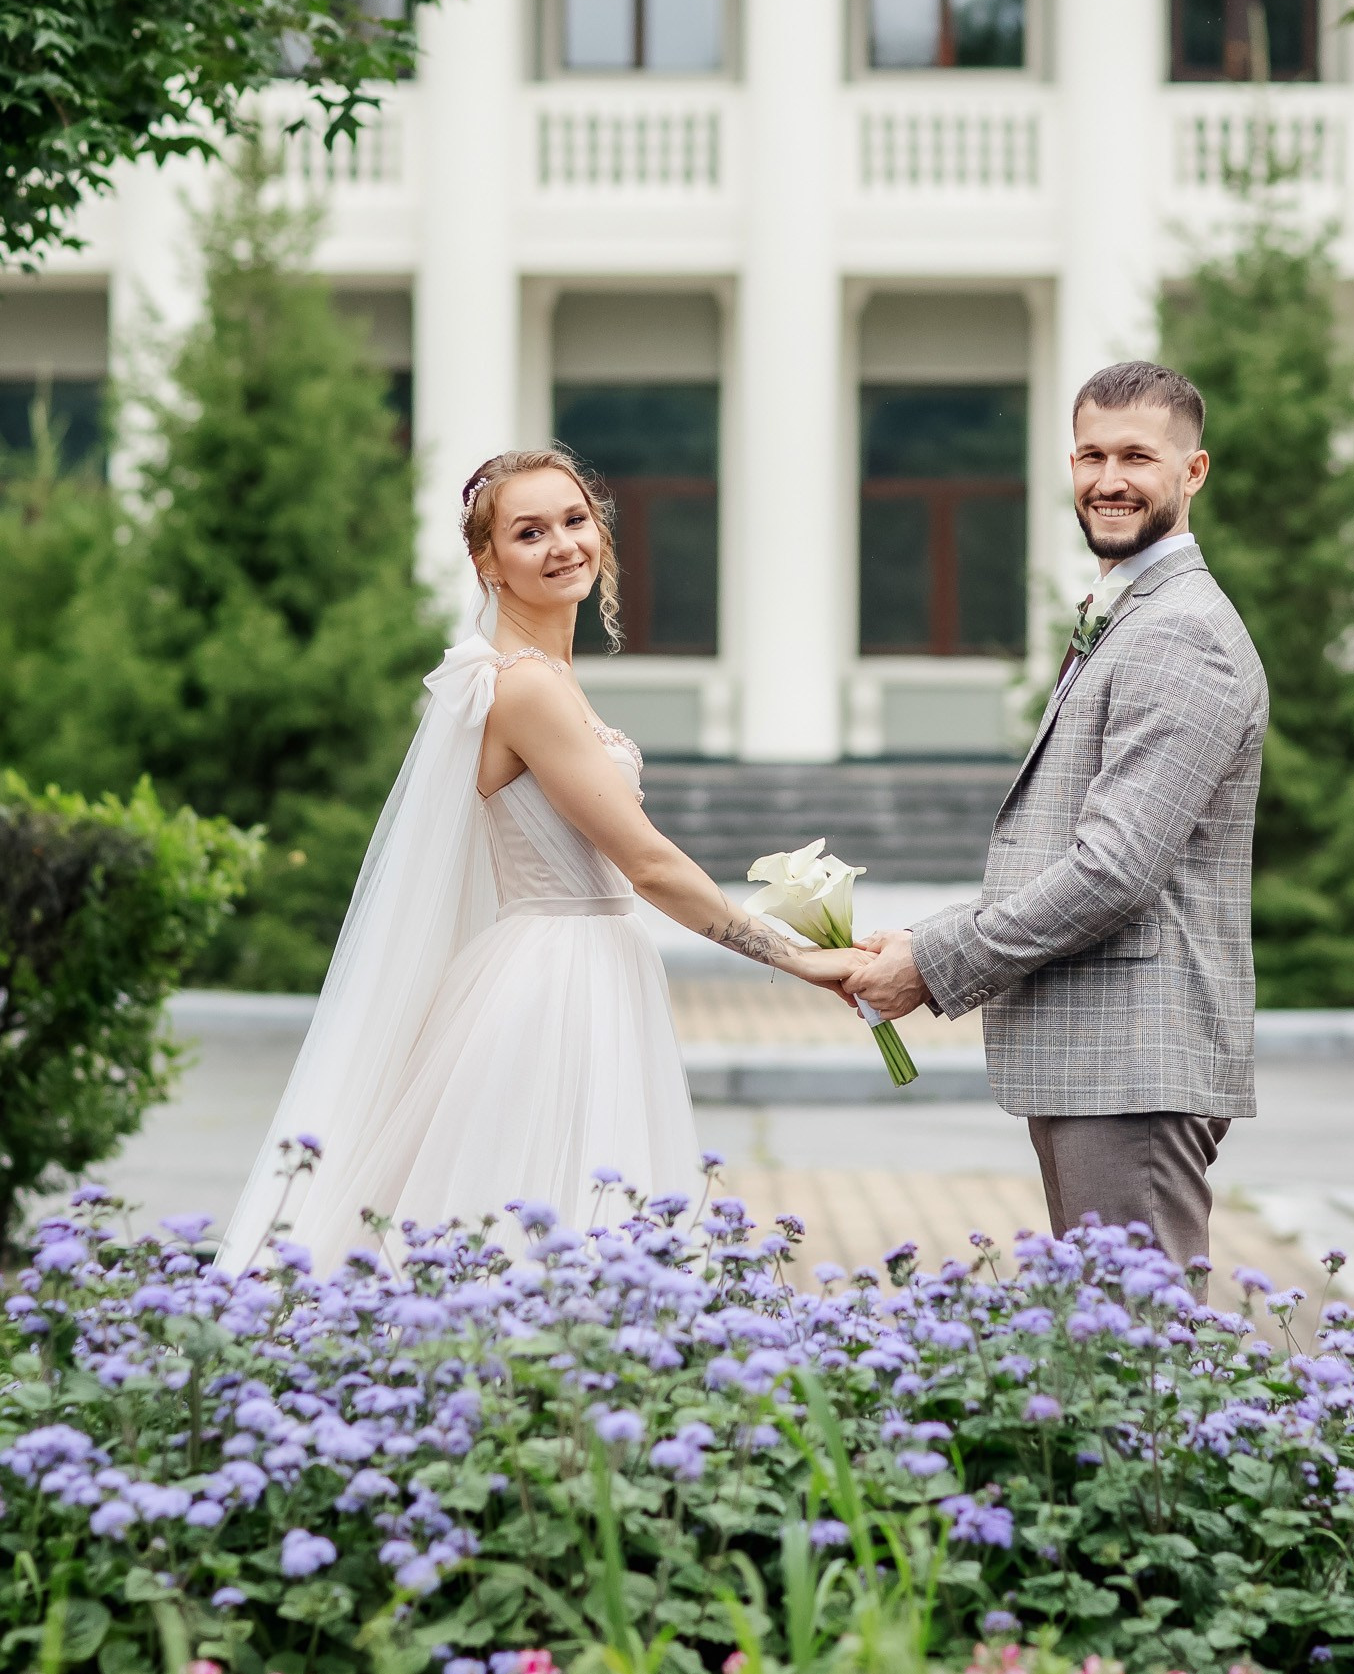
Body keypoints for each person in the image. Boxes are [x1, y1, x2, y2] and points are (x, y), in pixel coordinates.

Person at [216, 447, 853, 1274]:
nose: (562, 544)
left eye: (575, 520)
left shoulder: (540, 679)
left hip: (584, 963)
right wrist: (802, 961)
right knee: (548, 1220)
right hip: (557, 982)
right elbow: (649, 865)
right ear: (487, 562)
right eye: (529, 532)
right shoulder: (527, 689)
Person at [843, 361, 1268, 1274]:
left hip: (1136, 1060)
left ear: (1192, 473)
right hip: (1103, 1057)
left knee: (1139, 1363)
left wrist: (935, 959)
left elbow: (1114, 868)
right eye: (1090, 454)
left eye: (1137, 457)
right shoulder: (1131, 613)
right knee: (1112, 1356)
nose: (1108, 479)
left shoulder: (1180, 630)